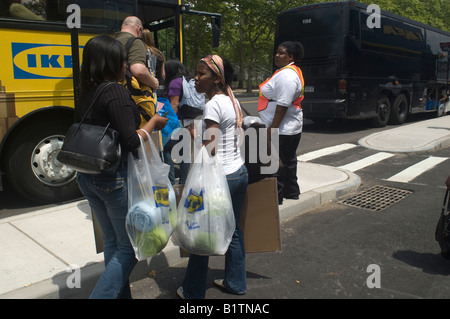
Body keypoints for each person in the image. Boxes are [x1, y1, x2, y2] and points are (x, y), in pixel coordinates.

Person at [75, 35, 167, 299]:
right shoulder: (115, 90)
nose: (126, 66)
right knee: (129, 249)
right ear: (111, 62)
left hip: (88, 178)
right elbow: (130, 141)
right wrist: (153, 124)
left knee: (113, 244)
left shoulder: (86, 92)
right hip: (112, 180)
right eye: (123, 60)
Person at [177, 54, 248, 299]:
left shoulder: (213, 104)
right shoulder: (231, 99)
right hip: (238, 172)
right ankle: (236, 283)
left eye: (200, 74)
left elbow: (212, 147)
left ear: (217, 78)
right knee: (234, 230)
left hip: (220, 179)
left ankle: (193, 292)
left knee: (201, 233)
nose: (195, 79)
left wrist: (196, 135)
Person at [258, 41, 305, 205]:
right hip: (289, 128)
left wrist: (271, 129)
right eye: (276, 53)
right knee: (289, 161)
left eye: (281, 53)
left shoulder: (287, 76)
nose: (277, 56)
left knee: (274, 164)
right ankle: (291, 192)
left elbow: (282, 106)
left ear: (290, 56)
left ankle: (274, 199)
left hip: (283, 130)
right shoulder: (288, 72)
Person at [163, 58, 196, 184]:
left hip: (175, 123)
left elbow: (174, 104)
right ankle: (184, 182)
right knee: (184, 153)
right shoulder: (189, 81)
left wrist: (166, 122)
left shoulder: (175, 83)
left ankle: (170, 183)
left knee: (167, 149)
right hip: (187, 122)